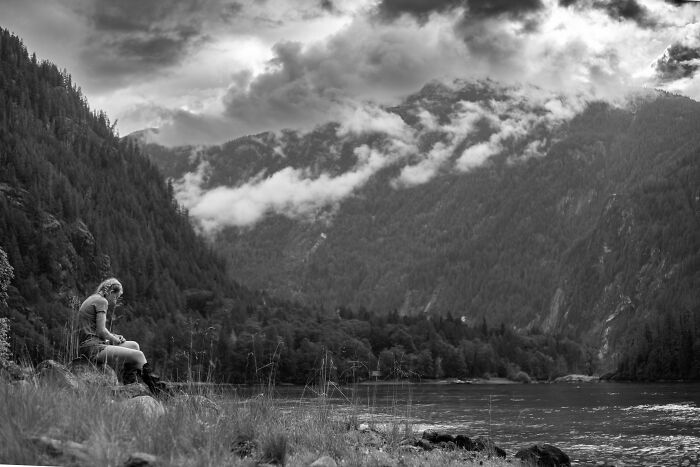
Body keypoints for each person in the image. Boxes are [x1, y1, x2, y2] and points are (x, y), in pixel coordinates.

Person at [77, 277, 167, 395]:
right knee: (139, 355)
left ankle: (130, 385)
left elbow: (95, 331)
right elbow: (101, 332)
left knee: (134, 345)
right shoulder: (102, 301)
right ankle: (159, 392)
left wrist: (114, 336)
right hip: (92, 348)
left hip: (93, 344)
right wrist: (115, 339)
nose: (114, 301)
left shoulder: (93, 299)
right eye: (115, 297)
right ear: (110, 292)